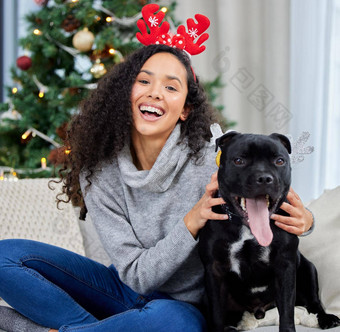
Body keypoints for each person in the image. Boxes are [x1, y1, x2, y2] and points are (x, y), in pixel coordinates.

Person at [0, 6, 313, 332]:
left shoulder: (213, 162)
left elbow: (266, 194)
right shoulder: (99, 173)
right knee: (4, 257)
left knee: (170, 323)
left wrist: (307, 222)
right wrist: (192, 221)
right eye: (144, 81)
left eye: (171, 87)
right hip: (120, 288)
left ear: (185, 109)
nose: (154, 92)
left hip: (183, 308)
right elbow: (136, 275)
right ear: (126, 94)